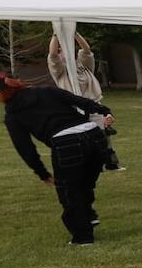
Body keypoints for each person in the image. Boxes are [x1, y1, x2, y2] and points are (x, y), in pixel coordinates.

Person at [0, 72, 114, 245]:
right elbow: (77, 100)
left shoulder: (13, 116)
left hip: (66, 143)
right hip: (94, 137)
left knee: (68, 190)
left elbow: (26, 149)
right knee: (84, 182)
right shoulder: (46, 91)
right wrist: (104, 111)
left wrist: (42, 173)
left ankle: (83, 237)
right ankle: (88, 216)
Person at [49, 32, 123, 170]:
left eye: (69, 50)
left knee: (102, 136)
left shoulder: (84, 65)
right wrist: (56, 35)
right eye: (62, 51)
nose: (66, 53)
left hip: (93, 105)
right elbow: (52, 55)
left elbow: (87, 49)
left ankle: (111, 163)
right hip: (73, 109)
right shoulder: (59, 70)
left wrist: (74, 33)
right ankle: (87, 164)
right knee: (80, 137)